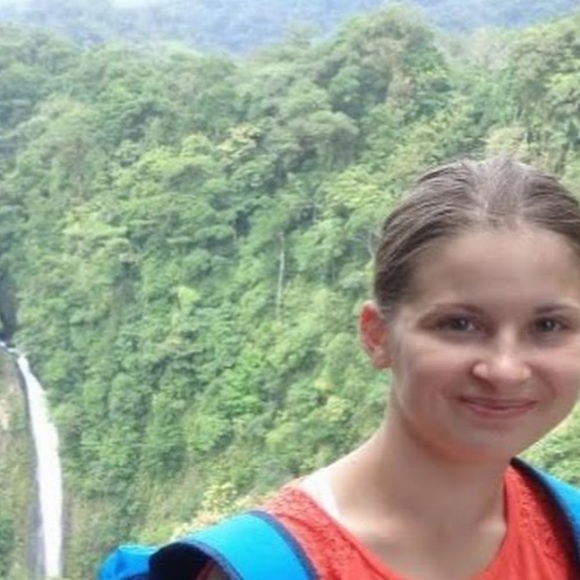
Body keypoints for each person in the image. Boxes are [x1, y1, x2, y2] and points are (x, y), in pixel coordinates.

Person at [100, 157, 580, 580]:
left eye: (549, 325)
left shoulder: (567, 534)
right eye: (459, 324)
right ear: (377, 336)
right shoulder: (268, 567)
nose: (505, 369)